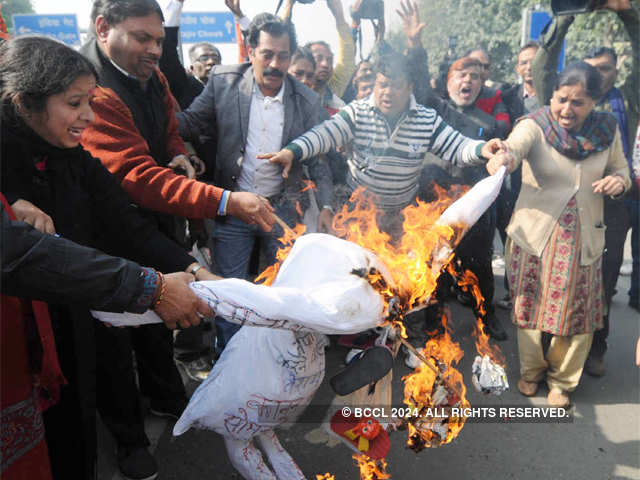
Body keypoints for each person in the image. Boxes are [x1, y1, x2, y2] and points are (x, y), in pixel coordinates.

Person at [0, 36, 219, 479]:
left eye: (90, 102)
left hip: (89, 295)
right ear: (25, 104)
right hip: (20, 332)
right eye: (75, 103)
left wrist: (193, 267)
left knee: (97, 384)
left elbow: (126, 223)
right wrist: (10, 201)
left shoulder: (73, 156)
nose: (89, 117)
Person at [177, 12, 334, 354]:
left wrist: (327, 207)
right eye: (268, 54)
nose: (276, 64)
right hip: (234, 208)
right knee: (232, 295)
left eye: (283, 55)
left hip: (282, 210)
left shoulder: (306, 100)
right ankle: (230, 364)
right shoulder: (224, 82)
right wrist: (147, 122)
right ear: (251, 51)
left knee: (283, 295)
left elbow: (318, 158)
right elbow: (187, 123)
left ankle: (278, 364)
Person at [488, 61, 631, 407]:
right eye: (561, 98)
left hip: (584, 239)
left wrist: (619, 182)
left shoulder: (607, 130)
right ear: (550, 95)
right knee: (529, 308)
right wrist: (501, 157)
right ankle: (531, 371)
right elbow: (514, 148)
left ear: (593, 103)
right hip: (535, 237)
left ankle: (562, 382)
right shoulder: (535, 125)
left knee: (576, 316)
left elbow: (621, 169)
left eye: (578, 102)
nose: (567, 109)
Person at [532, 0, 639, 377]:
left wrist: (625, 12)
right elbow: (542, 68)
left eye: (605, 70)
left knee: (603, 280)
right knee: (558, 281)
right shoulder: (567, 101)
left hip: (613, 199)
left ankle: (596, 348)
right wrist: (568, 15)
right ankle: (548, 355)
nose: (598, 76)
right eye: (591, 71)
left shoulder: (627, 98)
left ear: (616, 72)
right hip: (565, 203)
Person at [496, 40, 541, 311]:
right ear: (517, 67)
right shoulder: (507, 96)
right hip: (511, 180)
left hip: (541, 182)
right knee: (511, 239)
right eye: (523, 62)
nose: (528, 67)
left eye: (534, 61)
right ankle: (515, 294)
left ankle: (537, 297)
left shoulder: (555, 96)